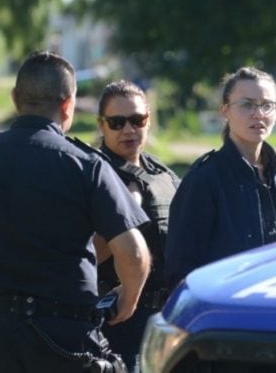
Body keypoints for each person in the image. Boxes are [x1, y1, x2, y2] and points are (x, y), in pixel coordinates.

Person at [0, 50, 151, 372]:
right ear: (68, 104)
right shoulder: (86, 166)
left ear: (16, 99)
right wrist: (127, 299)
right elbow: (134, 253)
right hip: (65, 339)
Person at [165, 66, 276, 290]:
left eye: (267, 105)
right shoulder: (205, 179)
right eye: (246, 104)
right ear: (225, 111)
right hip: (228, 311)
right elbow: (181, 269)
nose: (258, 114)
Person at [94, 80, 180, 372]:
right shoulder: (92, 174)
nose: (129, 130)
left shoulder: (161, 172)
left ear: (148, 120)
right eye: (117, 122)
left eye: (137, 120)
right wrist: (125, 212)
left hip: (165, 317)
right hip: (118, 320)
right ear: (101, 125)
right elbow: (85, 253)